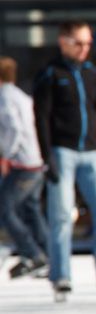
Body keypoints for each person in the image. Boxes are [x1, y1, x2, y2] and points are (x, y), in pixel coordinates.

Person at [32, 20, 96, 301]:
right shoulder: (50, 74)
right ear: (63, 42)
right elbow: (41, 118)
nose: (84, 49)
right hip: (62, 152)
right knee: (61, 218)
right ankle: (61, 278)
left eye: (88, 44)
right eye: (78, 43)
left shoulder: (94, 74)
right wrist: (48, 158)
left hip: (93, 153)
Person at [0, 55, 49, 280]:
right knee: (31, 210)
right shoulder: (21, 95)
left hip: (22, 164)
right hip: (36, 163)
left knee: (5, 208)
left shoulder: (4, 97)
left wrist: (5, 155)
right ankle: (48, 256)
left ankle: (32, 253)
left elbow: (14, 130)